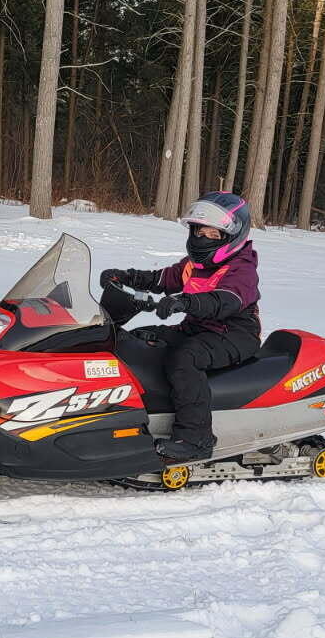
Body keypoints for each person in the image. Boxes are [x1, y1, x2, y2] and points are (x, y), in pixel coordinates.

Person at [100, 192, 260, 461]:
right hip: (197, 327)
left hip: (233, 334)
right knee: (140, 339)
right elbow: (163, 278)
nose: (202, 239)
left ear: (232, 237)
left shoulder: (241, 269)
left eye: (213, 234)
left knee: (184, 359)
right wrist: (128, 277)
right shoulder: (195, 264)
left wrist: (183, 302)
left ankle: (196, 438)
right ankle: (140, 413)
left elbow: (226, 300)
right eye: (199, 231)